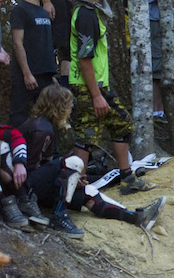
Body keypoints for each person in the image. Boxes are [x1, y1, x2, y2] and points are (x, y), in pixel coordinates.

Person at [18, 85, 165, 238]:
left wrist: (71, 178)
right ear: (58, 105)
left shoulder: (49, 126)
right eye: (69, 103)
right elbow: (28, 169)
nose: (72, 106)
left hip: (35, 184)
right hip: (26, 188)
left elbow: (49, 163)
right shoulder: (41, 129)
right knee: (73, 161)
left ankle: (136, 217)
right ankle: (59, 217)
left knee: (87, 192)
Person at [68, 0, 157, 195]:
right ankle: (76, 188)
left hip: (97, 85)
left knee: (113, 126)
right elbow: (84, 58)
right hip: (89, 87)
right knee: (91, 134)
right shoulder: (86, 14)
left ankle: (120, 179)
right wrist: (96, 95)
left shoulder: (92, 11)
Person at [10, 0, 58, 127]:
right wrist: (26, 74)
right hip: (27, 75)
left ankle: (49, 152)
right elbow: (18, 43)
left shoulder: (44, 12)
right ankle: (14, 149)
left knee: (50, 116)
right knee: (19, 116)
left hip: (45, 75)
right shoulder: (20, 10)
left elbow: (45, 44)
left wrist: (51, 73)